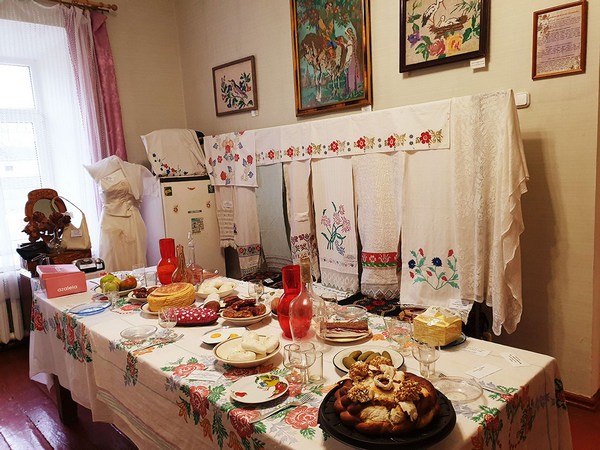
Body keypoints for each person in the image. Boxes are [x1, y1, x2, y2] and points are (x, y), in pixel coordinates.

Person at [85, 155, 156, 271]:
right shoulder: (98, 171)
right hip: (109, 223)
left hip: (132, 220)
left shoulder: (135, 170)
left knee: (135, 261)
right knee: (111, 261)